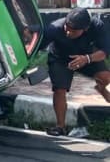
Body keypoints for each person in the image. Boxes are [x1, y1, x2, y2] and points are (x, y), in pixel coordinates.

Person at [41, 7, 110, 136]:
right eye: (67, 27)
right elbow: (35, 45)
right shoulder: (55, 28)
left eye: (73, 30)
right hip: (60, 59)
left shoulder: (97, 26)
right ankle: (60, 127)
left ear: (85, 29)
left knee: (106, 78)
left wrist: (87, 59)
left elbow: (105, 52)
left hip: (87, 56)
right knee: (59, 89)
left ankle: (102, 90)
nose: (67, 31)